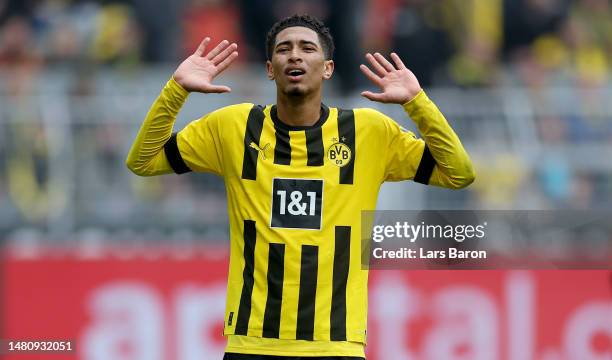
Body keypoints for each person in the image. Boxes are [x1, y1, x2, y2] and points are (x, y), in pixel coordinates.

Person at [126, 14, 474, 360]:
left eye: (307, 48)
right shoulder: (233, 127)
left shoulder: (369, 132)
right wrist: (176, 91)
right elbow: (144, 161)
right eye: (284, 49)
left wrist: (417, 103)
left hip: (335, 346)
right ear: (269, 68)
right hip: (252, 344)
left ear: (327, 68)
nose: (295, 55)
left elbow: (458, 173)